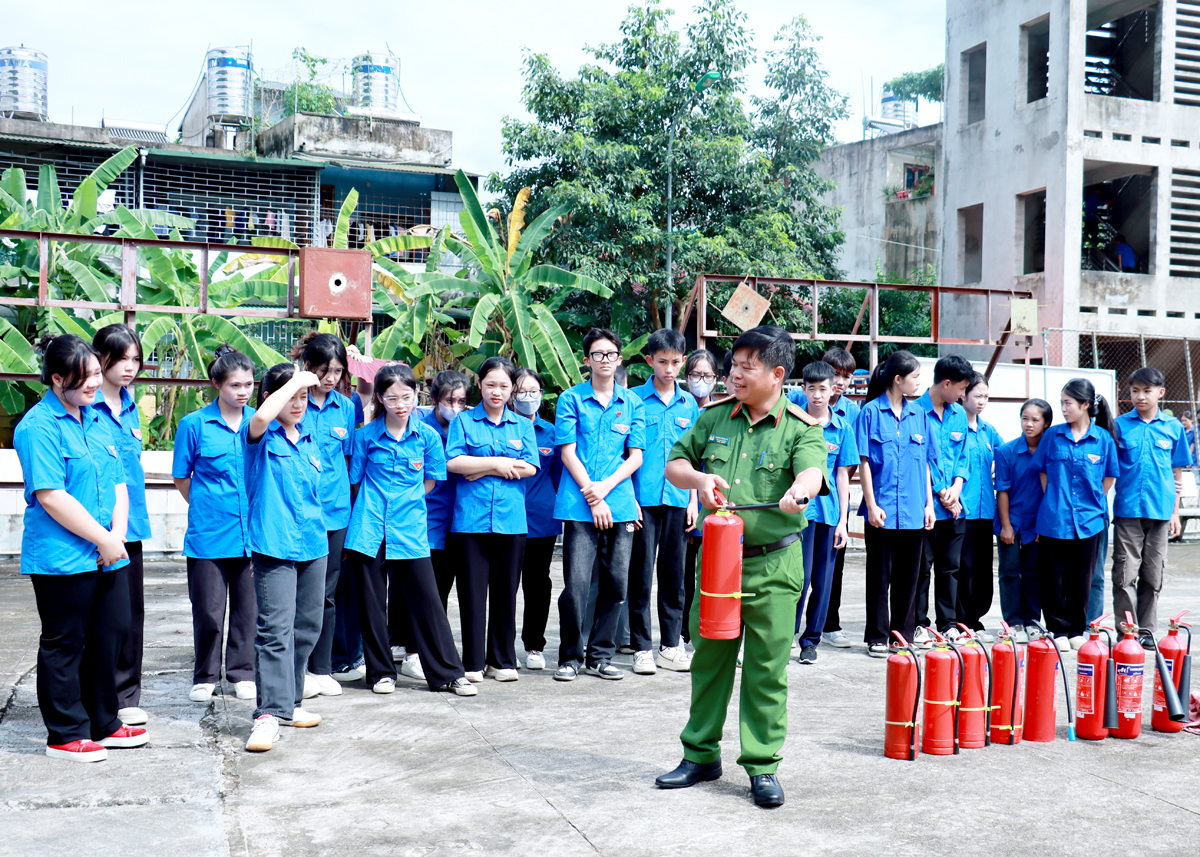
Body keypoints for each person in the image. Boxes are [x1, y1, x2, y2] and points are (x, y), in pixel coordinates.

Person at [655, 325, 828, 809]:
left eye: (746, 367)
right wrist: (699, 478)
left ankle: (762, 764)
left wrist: (802, 491)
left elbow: (813, 469)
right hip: (718, 564)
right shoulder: (713, 419)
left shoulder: (800, 427)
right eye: (733, 365)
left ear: (776, 374)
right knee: (709, 660)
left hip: (774, 566)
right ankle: (700, 755)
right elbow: (674, 465)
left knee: (765, 668)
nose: (733, 374)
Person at [15, 334, 146, 762]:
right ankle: (65, 733)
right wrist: (104, 538)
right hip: (62, 557)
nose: (94, 383)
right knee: (65, 642)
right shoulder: (38, 427)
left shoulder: (97, 418)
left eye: (95, 374)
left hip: (107, 552)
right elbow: (52, 495)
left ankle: (103, 721)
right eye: (84, 377)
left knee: (109, 634)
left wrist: (117, 536)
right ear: (56, 379)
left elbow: (119, 479)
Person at [345, 363, 476, 697]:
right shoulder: (365, 436)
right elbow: (356, 482)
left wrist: (406, 500)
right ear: (380, 398)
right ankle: (380, 673)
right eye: (391, 398)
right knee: (373, 605)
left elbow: (431, 480)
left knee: (428, 601)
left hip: (411, 528)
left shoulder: (428, 436)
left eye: (406, 396)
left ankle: (448, 673)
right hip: (368, 528)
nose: (400, 404)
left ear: (417, 395)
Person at [243, 364, 328, 753]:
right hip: (274, 545)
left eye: (303, 398)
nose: (298, 403)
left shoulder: (311, 439)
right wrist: (297, 379)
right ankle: (268, 715)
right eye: (290, 396)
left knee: (307, 626)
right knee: (275, 630)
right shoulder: (258, 435)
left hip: (313, 544)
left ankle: (291, 703)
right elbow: (261, 416)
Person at [553, 328, 645, 682]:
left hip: (619, 502)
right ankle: (570, 656)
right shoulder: (571, 399)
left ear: (619, 360)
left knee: (616, 584)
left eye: (610, 354)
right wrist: (592, 495)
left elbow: (635, 456)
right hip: (579, 505)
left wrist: (604, 490)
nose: (604, 360)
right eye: (597, 354)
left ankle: (600, 655)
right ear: (586, 360)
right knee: (576, 586)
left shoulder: (631, 403)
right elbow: (567, 452)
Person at [172, 346, 258, 704]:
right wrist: (208, 507)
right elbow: (182, 477)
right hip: (208, 534)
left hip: (252, 533)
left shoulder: (259, 422)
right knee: (207, 609)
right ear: (216, 384)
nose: (242, 392)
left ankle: (242, 672)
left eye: (249, 384)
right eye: (235, 385)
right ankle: (205, 674)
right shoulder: (194, 425)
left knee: (247, 609)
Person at [444, 357, 538, 682]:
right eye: (490, 385)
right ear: (480, 385)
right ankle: (472, 663)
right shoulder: (464, 422)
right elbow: (453, 462)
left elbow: (530, 467)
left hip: (512, 521)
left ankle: (502, 660)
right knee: (472, 592)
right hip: (471, 520)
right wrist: (500, 463)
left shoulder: (523, 425)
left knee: (505, 591)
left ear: (512, 388)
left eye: (503, 385)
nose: (496, 391)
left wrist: (484, 466)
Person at [857, 350, 938, 658]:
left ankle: (900, 635)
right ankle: (877, 636)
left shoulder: (920, 415)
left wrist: (929, 505)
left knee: (910, 576)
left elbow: (927, 463)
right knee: (879, 576)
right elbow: (864, 462)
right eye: (915, 377)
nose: (919, 382)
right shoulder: (870, 413)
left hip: (915, 509)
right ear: (898, 379)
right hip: (883, 509)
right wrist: (871, 503)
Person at [628, 329, 700, 675]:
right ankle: (640, 646)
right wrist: (630, 500)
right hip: (641, 501)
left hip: (677, 500)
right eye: (662, 362)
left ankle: (671, 644)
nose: (668, 369)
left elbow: (695, 459)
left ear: (682, 362)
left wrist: (693, 501)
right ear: (649, 361)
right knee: (639, 575)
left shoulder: (690, 405)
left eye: (675, 362)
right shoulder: (633, 401)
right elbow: (624, 454)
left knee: (675, 575)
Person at [92, 324, 151, 727]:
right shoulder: (85, 404)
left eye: (135, 359)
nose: (129, 368)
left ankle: (127, 693)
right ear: (99, 358)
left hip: (131, 526)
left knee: (130, 614)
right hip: (94, 527)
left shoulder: (131, 405)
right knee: (96, 616)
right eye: (121, 359)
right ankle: (96, 694)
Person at [290, 333, 355, 700]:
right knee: (295, 594)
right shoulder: (294, 401)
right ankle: (295, 668)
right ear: (308, 368)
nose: (330, 378)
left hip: (334, 514)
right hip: (297, 511)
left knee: (326, 595)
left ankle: (321, 666)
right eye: (324, 370)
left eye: (337, 371)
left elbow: (345, 462)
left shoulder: (346, 408)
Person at [1031, 378, 1118, 651]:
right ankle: (1057, 629)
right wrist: (1056, 500)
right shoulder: (1053, 436)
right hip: (1053, 519)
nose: (1064, 408)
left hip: (1090, 522)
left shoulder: (1102, 439)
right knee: (1052, 577)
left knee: (1082, 578)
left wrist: (1092, 503)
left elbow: (1109, 478)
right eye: (1062, 403)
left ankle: (1076, 629)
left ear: (1085, 405)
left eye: (1068, 403)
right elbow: (1043, 472)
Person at [1112, 367, 1193, 641]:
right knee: (1124, 574)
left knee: (1153, 574)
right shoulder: (1120, 426)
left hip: (1160, 511)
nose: (1140, 396)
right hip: (1127, 510)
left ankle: (1146, 630)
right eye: (1135, 391)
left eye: (1147, 391)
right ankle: (1128, 631)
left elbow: (1177, 473)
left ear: (1161, 392)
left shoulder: (1172, 428)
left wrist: (1175, 513)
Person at [788, 347, 860, 650]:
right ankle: (788, 634)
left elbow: (843, 475)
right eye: (812, 389)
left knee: (823, 581)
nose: (818, 395)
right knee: (796, 580)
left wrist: (843, 522)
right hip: (797, 514)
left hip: (829, 515)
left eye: (824, 388)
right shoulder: (794, 423)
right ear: (803, 389)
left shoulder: (843, 428)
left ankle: (811, 641)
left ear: (834, 391)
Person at [913, 355, 973, 643]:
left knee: (951, 568)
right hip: (926, 508)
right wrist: (940, 491)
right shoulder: (915, 412)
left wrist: (957, 488)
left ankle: (948, 623)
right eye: (961, 389)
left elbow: (964, 456)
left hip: (955, 507)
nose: (963, 395)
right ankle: (919, 623)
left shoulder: (959, 414)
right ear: (946, 383)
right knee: (922, 568)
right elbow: (920, 459)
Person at [512, 368, 562, 671]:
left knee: (537, 584)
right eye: (521, 392)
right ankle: (501, 646)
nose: (528, 398)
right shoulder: (504, 427)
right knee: (503, 585)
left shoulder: (551, 433)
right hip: (506, 518)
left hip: (541, 521)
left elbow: (557, 477)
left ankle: (534, 645)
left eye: (533, 391)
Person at [994, 399, 1051, 643]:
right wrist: (1006, 525)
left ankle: (1032, 621)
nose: (1029, 424)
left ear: (1046, 423)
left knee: (1034, 573)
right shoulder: (1007, 451)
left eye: (1035, 420)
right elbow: (1002, 490)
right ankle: (1013, 622)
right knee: (1009, 571)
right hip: (1011, 520)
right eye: (1025, 418)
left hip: (1038, 523)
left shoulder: (1050, 452)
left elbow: (1050, 491)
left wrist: (1044, 526)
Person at [956, 372, 1004, 640]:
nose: (983, 401)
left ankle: (975, 617)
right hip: (962, 509)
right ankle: (963, 619)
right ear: (964, 395)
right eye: (978, 395)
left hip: (986, 511)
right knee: (963, 567)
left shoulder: (989, 431)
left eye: (986, 396)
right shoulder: (955, 426)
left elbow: (1005, 456)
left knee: (983, 568)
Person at [680, 349, 719, 644]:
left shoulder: (722, 413)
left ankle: (710, 632)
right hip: (682, 504)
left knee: (713, 574)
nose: (701, 381)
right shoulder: (680, 409)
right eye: (695, 375)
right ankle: (682, 633)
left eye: (706, 375)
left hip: (714, 507)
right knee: (682, 575)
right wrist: (691, 501)